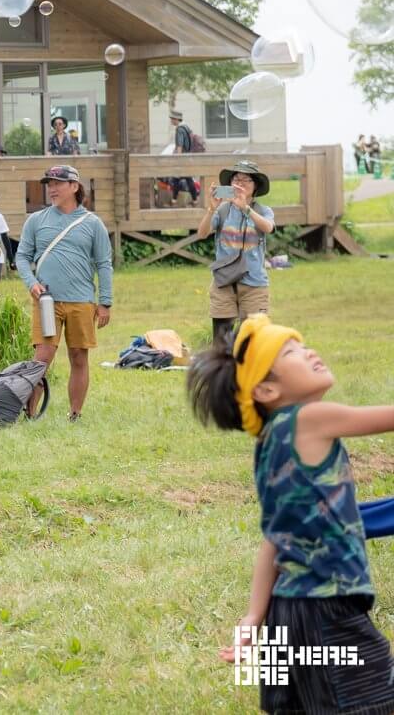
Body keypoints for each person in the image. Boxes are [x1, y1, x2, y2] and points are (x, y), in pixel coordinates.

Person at [190, 315, 394, 715]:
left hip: (285, 614)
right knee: (374, 701)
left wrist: (253, 617)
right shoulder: (311, 419)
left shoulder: (268, 445)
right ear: (266, 389)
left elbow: (273, 539)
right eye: (292, 352)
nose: (309, 351)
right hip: (325, 611)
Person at [15, 165, 113, 422]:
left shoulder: (93, 224)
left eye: (58, 183)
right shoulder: (36, 220)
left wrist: (105, 302)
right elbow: (22, 257)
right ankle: (30, 413)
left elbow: (104, 264)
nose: (52, 189)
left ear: (74, 186)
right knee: (41, 359)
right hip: (47, 302)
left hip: (81, 301)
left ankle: (75, 414)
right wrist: (31, 282)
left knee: (79, 356)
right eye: (49, 184)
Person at [196, 160, 276, 343]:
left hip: (254, 283)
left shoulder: (263, 211)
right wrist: (211, 209)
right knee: (221, 340)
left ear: (255, 186)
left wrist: (245, 209)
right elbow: (202, 233)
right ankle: (222, 371)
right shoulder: (223, 210)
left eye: (246, 180)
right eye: (236, 179)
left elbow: (268, 227)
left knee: (253, 340)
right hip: (223, 282)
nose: (240, 183)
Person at [167, 109, 200, 205]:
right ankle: (193, 200)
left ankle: (175, 201)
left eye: (172, 118)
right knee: (185, 179)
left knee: (178, 179)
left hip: (182, 158)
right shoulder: (186, 127)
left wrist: (178, 158)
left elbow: (180, 145)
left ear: (176, 119)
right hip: (188, 156)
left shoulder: (180, 129)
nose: (171, 121)